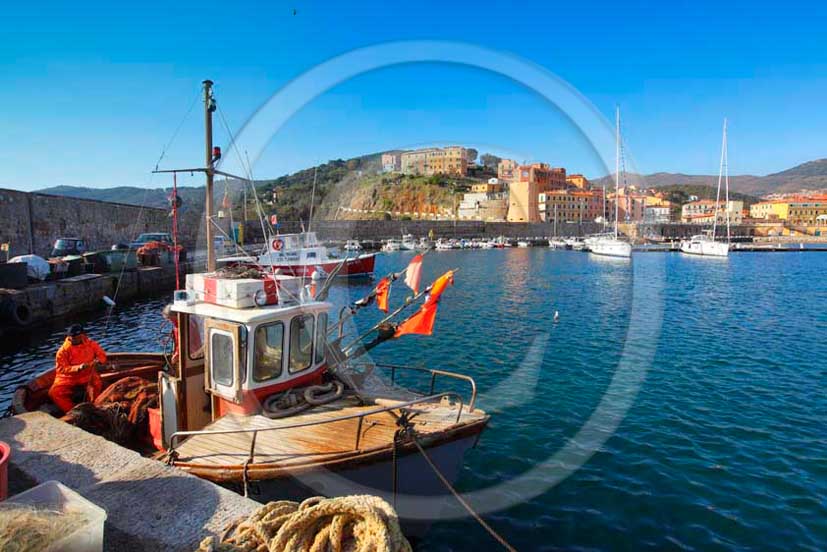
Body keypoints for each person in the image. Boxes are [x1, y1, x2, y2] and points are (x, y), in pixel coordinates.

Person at [48, 324, 106, 413]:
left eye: (79, 336)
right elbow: (61, 369)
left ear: (82, 335)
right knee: (55, 392)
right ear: (69, 337)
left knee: (96, 383)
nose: (77, 339)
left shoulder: (91, 344)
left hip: (88, 374)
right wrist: (77, 368)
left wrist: (99, 361)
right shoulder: (62, 351)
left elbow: (102, 355)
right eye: (74, 337)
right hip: (68, 378)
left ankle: (94, 407)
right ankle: (73, 413)